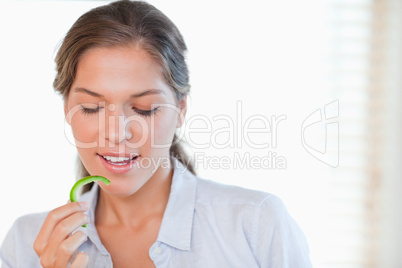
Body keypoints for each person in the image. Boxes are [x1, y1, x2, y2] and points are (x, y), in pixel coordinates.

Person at [0, 1, 312, 267]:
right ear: (67, 107)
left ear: (181, 109)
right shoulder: (26, 244)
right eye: (92, 108)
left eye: (144, 109)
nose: (117, 134)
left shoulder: (256, 225)